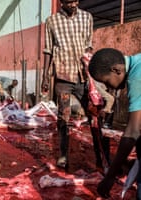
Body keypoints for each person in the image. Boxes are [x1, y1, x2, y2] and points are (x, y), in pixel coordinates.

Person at [41, 0, 93, 168]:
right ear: (61, 2)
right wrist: (45, 76)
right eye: (69, 2)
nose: (73, 5)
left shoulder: (87, 17)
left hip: (84, 77)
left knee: (93, 116)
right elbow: (48, 50)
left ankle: (101, 155)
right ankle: (63, 155)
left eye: (76, 1)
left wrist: (92, 74)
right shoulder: (52, 21)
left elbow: (89, 47)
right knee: (63, 118)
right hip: (63, 77)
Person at [88, 48, 141, 199]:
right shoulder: (138, 62)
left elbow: (132, 132)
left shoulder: (137, 77)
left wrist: (109, 177)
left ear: (116, 70)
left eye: (107, 82)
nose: (109, 88)